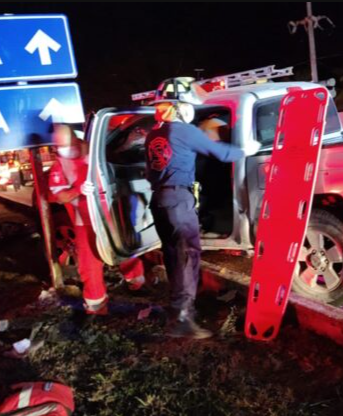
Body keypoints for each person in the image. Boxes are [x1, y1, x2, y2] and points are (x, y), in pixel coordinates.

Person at [145, 98, 260, 338]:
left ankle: (178, 308)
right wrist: (246, 150)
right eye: (187, 105)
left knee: (174, 255)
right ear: (178, 108)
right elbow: (221, 153)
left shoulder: (153, 134)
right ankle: (182, 319)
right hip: (178, 199)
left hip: (159, 199)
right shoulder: (184, 130)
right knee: (187, 255)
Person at [47, 123, 147, 315]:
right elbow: (60, 196)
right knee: (89, 262)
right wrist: (79, 189)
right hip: (84, 220)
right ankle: (96, 303)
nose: (67, 150)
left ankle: (136, 282)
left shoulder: (93, 155)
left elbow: (117, 154)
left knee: (124, 248)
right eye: (62, 146)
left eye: (69, 145)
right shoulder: (58, 167)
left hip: (110, 214)